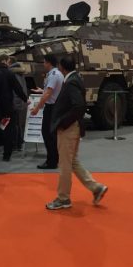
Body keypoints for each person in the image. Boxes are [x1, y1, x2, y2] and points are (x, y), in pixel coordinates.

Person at [45, 56, 108, 210]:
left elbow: (78, 106)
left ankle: (63, 198)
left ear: (61, 66)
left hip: (69, 128)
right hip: (74, 127)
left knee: (65, 164)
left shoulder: (71, 82)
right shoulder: (75, 79)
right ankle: (96, 188)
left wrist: (63, 123)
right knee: (72, 161)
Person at [30, 54, 63, 170]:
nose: (43, 64)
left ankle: (51, 161)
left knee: (48, 134)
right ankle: (54, 159)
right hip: (55, 107)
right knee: (51, 135)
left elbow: (48, 94)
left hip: (51, 108)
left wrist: (36, 108)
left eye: (44, 62)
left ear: (49, 63)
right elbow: (50, 91)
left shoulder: (53, 75)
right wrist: (41, 91)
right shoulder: (56, 74)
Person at [0, 54, 28, 162]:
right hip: (9, 106)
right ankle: (8, 152)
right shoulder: (12, 73)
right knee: (11, 128)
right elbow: (18, 89)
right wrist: (25, 99)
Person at [9, 57, 29, 151]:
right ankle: (19, 142)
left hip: (15, 101)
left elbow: (15, 90)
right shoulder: (21, 73)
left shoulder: (12, 73)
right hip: (21, 101)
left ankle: (15, 143)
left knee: (14, 124)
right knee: (18, 123)